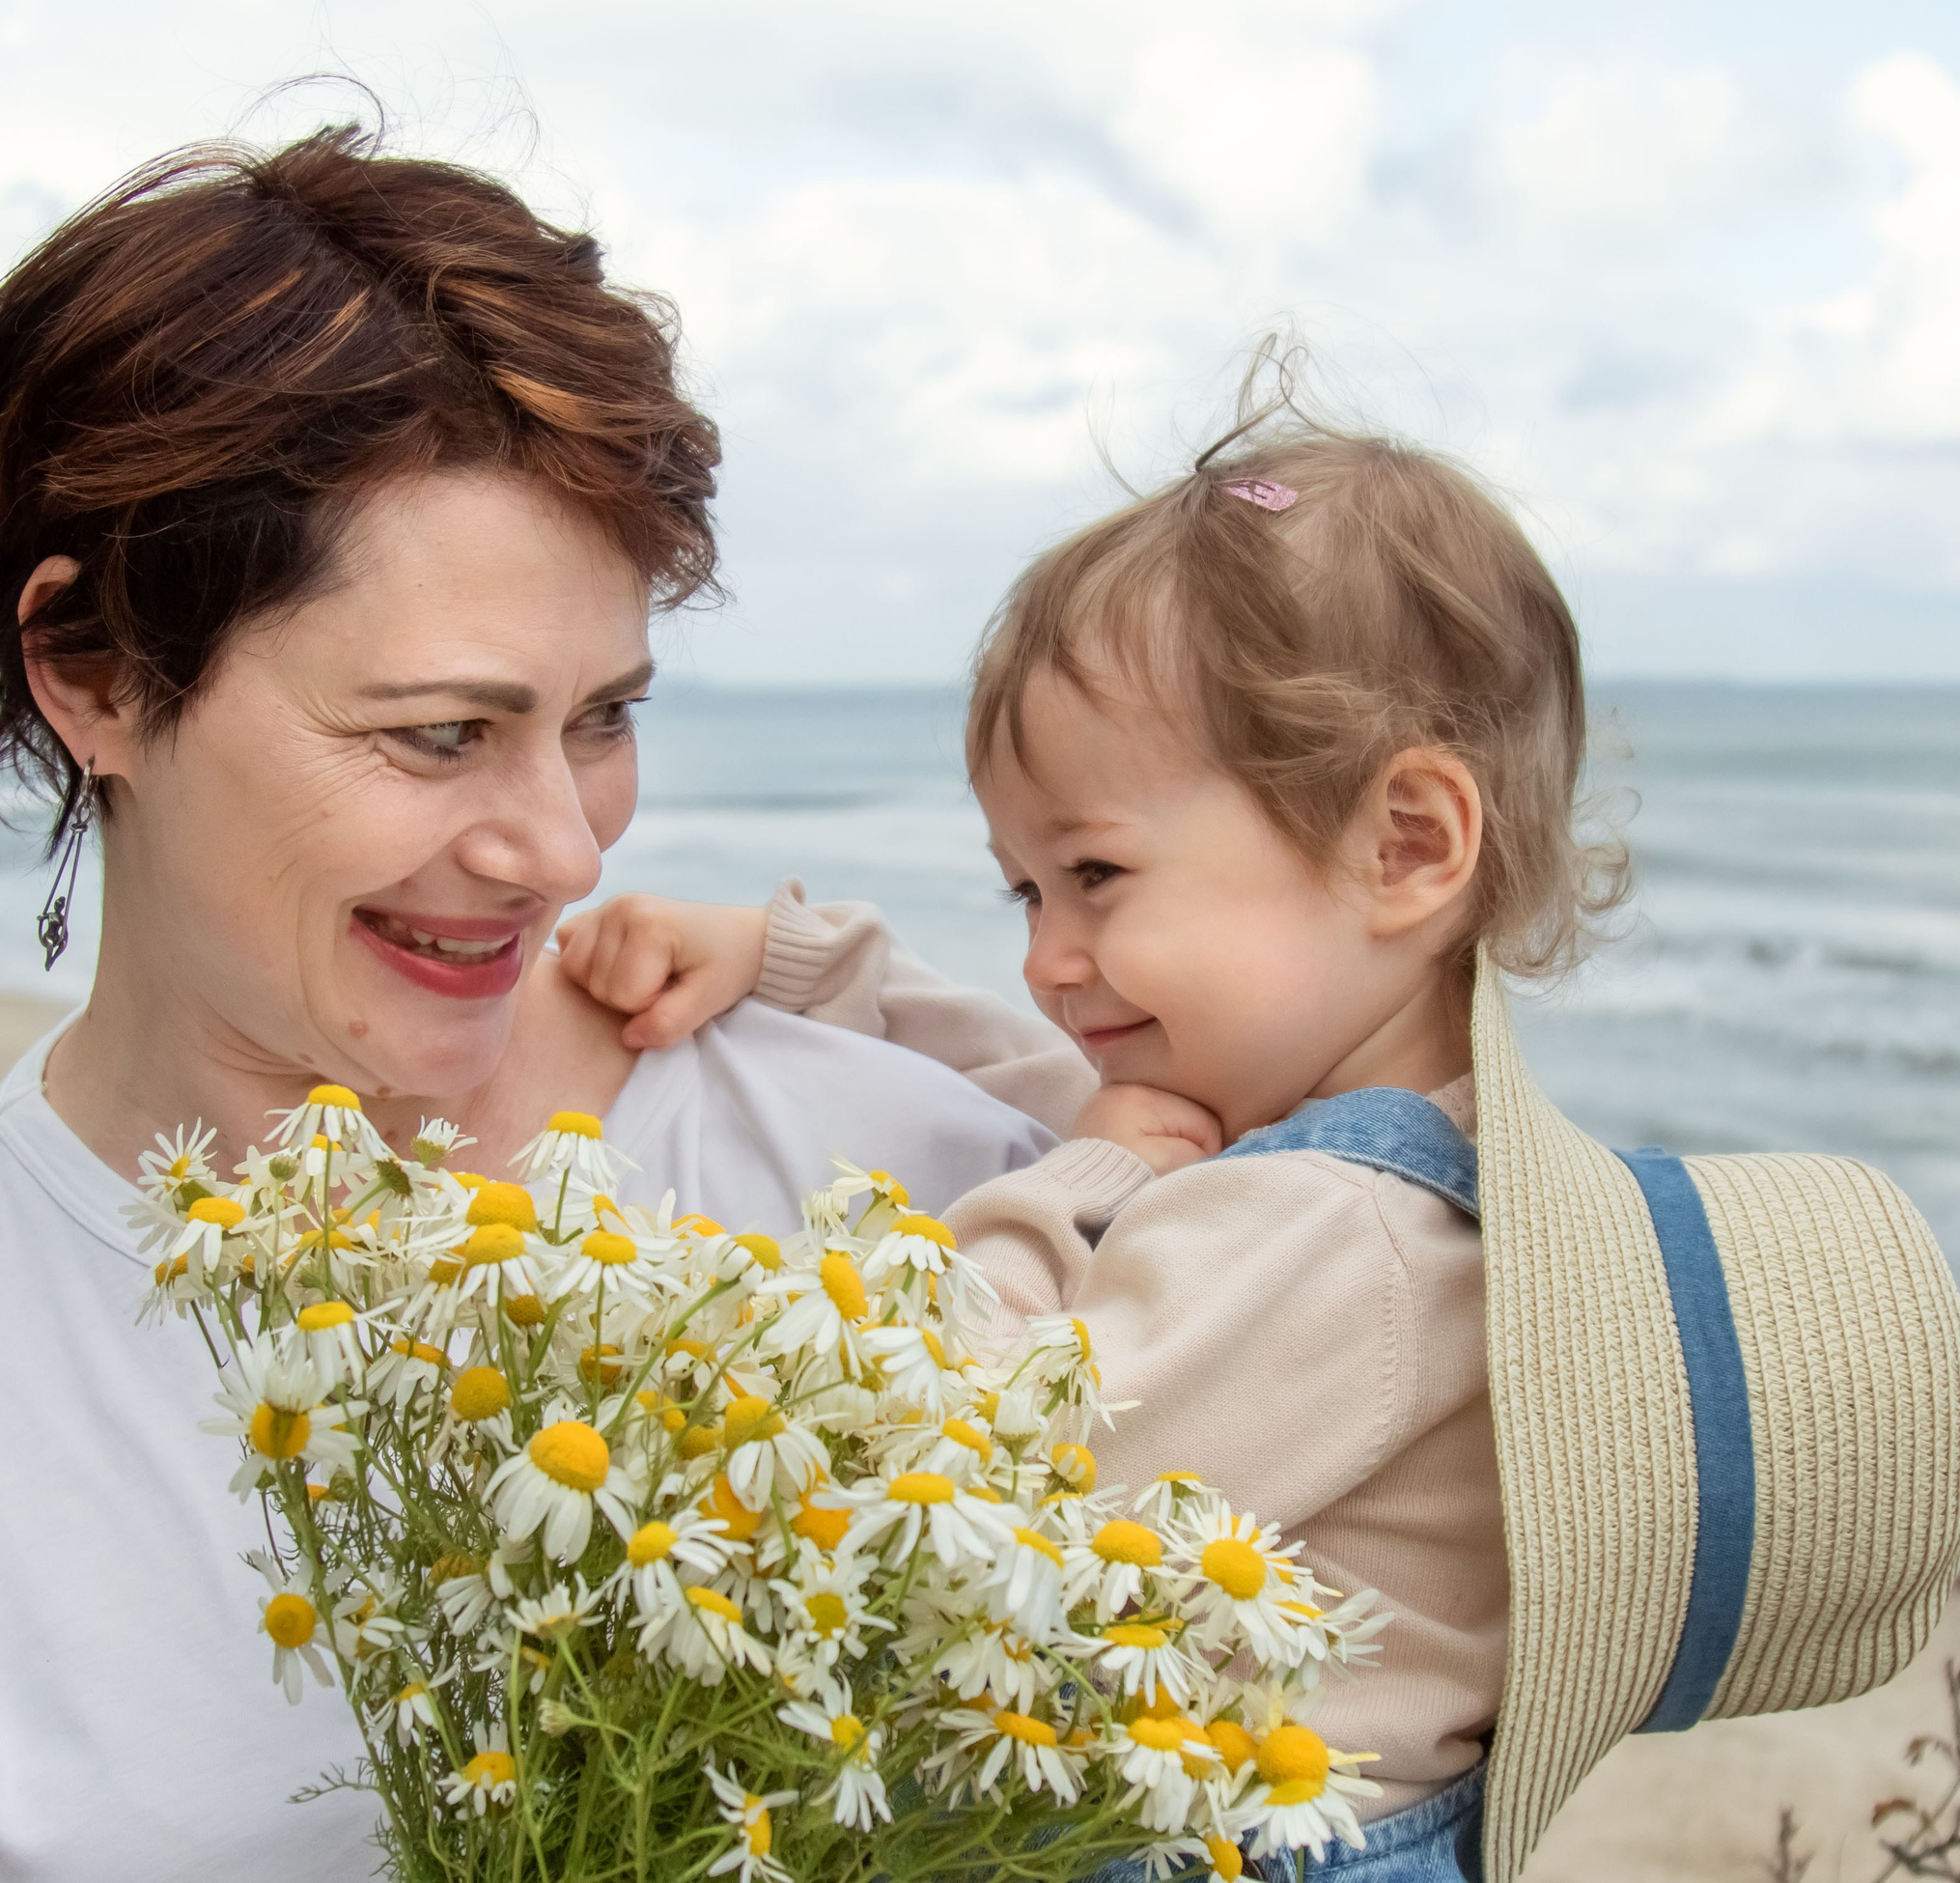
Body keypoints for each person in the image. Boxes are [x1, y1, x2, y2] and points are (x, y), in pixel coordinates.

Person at [0, 128, 1056, 1883]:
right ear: (94, 673)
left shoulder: (930, 1184)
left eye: (602, 718)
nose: (559, 851)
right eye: (440, 732)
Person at [556, 414, 1630, 1878]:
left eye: (1096, 877)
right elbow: (1081, 1084)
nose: (1050, 961)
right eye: (1024, 895)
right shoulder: (1318, 1145)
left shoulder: (1339, 1241)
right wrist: (801, 960)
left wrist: (1079, 1183)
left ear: (1406, 848)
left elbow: (944, 1463)